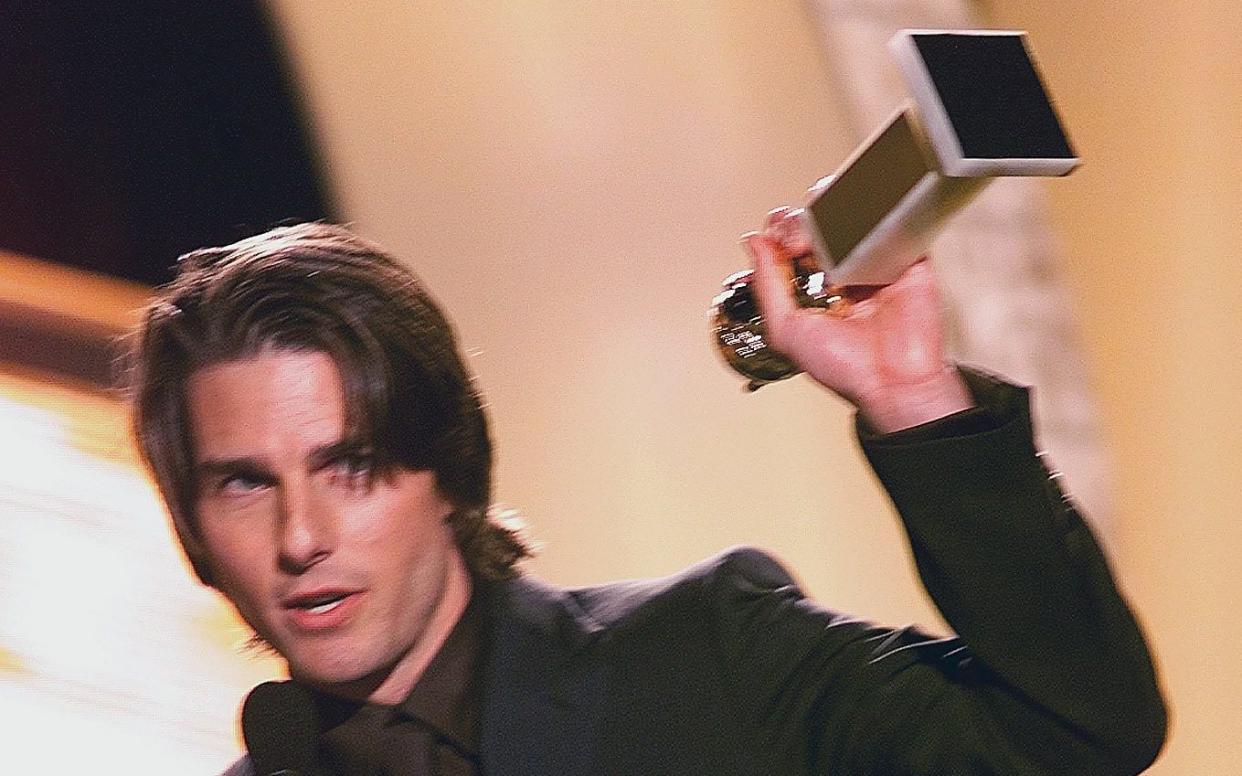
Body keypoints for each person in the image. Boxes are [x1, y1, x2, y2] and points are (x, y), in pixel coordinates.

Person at [127, 215, 1166, 775]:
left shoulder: (706, 655)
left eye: (348, 466)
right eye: (245, 484)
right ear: (195, 526)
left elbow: (1077, 738)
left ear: (446, 471)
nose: (301, 535)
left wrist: (912, 399)